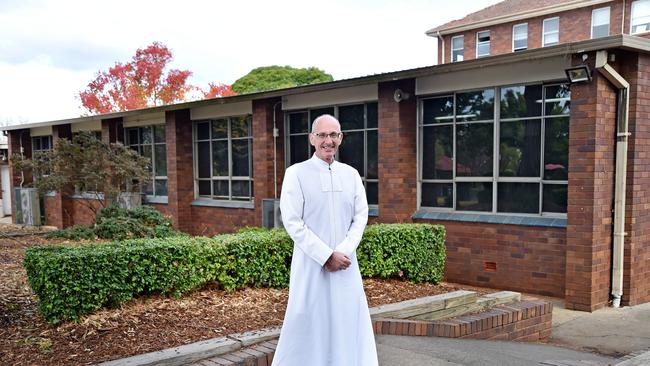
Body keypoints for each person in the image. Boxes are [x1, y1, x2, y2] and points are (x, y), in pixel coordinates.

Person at [272, 114, 378, 366]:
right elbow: (293, 221)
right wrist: (325, 255)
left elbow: (360, 216)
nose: (327, 141)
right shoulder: (296, 173)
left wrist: (342, 252)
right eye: (322, 135)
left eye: (333, 135)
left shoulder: (351, 174)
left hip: (345, 265)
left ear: (340, 138)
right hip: (311, 266)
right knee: (308, 322)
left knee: (345, 322)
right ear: (312, 139)